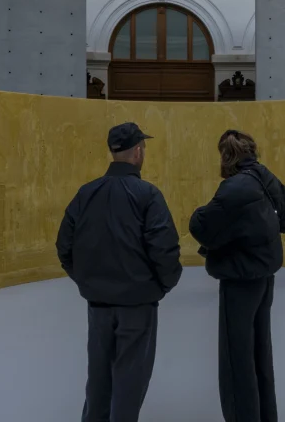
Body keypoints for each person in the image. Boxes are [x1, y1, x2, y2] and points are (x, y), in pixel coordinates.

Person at [56, 121, 182, 422]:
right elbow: (164, 250)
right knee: (129, 383)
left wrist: (87, 281)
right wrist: (162, 286)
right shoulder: (148, 195)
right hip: (138, 305)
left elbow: (64, 247)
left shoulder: (86, 193)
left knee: (98, 381)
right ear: (138, 152)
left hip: (98, 305)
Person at [190, 130, 285, 422]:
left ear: (226, 156)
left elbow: (202, 227)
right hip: (264, 277)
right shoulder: (267, 177)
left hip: (239, 281)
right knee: (260, 353)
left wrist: (200, 213)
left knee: (237, 360)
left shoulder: (233, 188)